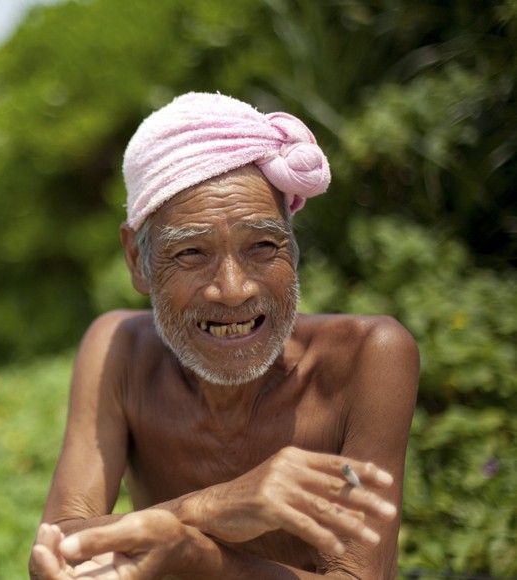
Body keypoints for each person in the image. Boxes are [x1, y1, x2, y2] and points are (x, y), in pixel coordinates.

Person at [28, 92, 419, 579]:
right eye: (191, 253)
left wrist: (194, 554)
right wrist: (207, 509)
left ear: (293, 249)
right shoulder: (120, 349)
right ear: (137, 260)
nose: (233, 291)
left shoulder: (368, 358)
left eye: (262, 246)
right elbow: (56, 546)